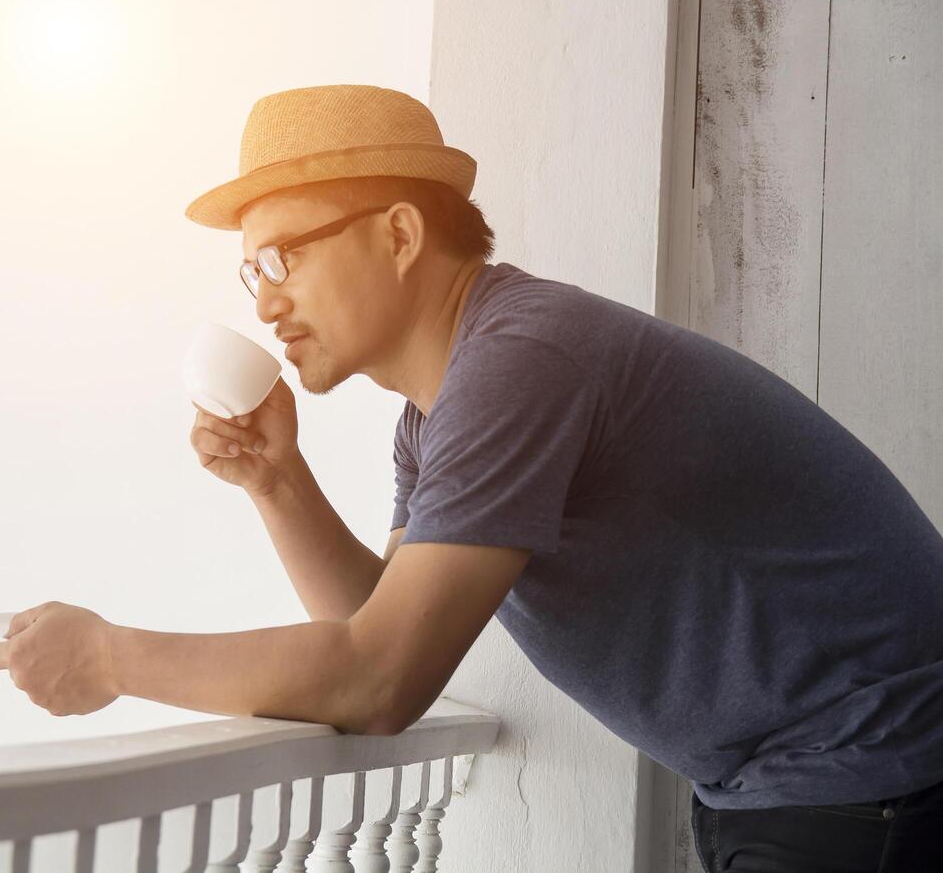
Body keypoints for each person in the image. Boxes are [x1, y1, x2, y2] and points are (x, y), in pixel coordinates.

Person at [181, 84, 943, 871]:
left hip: (868, 771)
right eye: (251, 275)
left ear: (400, 234)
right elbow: (375, 621)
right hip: (796, 787)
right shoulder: (434, 418)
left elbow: (378, 681)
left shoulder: (520, 362)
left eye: (282, 258)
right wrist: (278, 482)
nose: (266, 304)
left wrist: (104, 658)